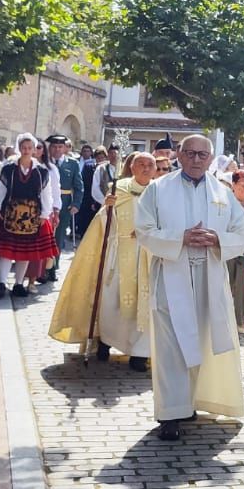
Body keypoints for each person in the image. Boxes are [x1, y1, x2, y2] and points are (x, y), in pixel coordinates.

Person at [134, 134, 244, 441]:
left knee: (201, 339)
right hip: (171, 272)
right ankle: (170, 414)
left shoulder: (222, 191)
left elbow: (240, 231)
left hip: (209, 275)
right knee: (170, 344)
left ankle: (190, 401)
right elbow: (144, 229)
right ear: (179, 154)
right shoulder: (158, 189)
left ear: (210, 157)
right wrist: (180, 237)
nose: (196, 159)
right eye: (190, 153)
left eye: (203, 154)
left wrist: (218, 240)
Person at [50, 151, 159, 370]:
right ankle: (105, 341)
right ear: (132, 166)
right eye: (141, 164)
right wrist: (107, 208)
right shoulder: (119, 188)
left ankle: (138, 354)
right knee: (112, 301)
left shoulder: (161, 192)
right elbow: (102, 221)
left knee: (145, 303)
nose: (146, 168)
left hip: (149, 256)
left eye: (150, 165)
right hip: (119, 253)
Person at [0, 133, 59, 298]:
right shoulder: (9, 169)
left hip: (32, 217)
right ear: (19, 149)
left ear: (34, 150)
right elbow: (2, 189)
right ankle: (2, 283)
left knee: (25, 252)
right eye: (23, 148)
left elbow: (46, 195)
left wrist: (44, 214)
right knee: (6, 251)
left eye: (29, 148)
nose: (26, 151)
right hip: (10, 214)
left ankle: (19, 284)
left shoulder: (41, 172)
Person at [43, 134, 82, 284]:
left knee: (58, 237)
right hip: (46, 203)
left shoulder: (72, 164)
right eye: (54, 147)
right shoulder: (44, 163)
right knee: (44, 237)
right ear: (50, 148)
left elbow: (79, 186)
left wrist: (76, 204)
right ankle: (41, 268)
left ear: (65, 148)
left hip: (65, 204)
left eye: (60, 147)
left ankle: (52, 268)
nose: (57, 150)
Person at [223, 168, 244, 337]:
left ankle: (239, 320)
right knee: (227, 284)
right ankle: (225, 320)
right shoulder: (225, 202)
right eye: (242, 185)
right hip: (228, 249)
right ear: (234, 185)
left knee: (243, 286)